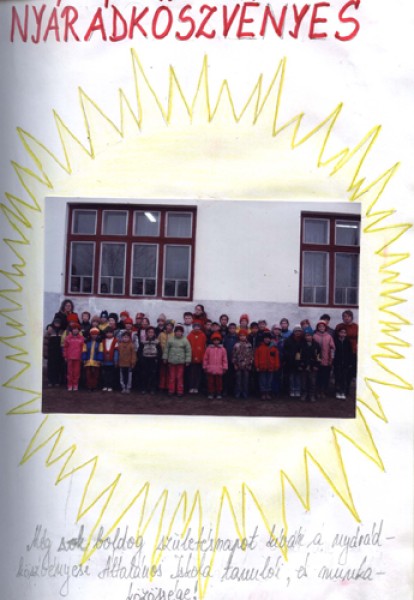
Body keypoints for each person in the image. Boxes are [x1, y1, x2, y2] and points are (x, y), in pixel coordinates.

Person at [163, 324, 191, 397]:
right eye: (177, 331)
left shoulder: (185, 340)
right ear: (174, 332)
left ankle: (180, 391)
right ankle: (171, 390)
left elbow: (188, 351)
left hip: (181, 362)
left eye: (180, 331)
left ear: (182, 333)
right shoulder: (170, 339)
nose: (178, 333)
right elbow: (166, 349)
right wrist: (165, 358)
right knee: (172, 377)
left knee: (180, 377)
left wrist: (188, 360)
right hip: (172, 362)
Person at [254, 331, 280, 400]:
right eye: (265, 338)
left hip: (271, 367)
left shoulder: (274, 348)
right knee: (262, 381)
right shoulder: (259, 347)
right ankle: (263, 393)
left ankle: (268, 393)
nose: (267, 339)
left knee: (269, 381)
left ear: (270, 339)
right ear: (263, 339)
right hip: (262, 367)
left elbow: (276, 358)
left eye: (268, 338)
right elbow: (256, 357)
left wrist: (276, 366)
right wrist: (257, 366)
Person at [313, 320, 335, 398]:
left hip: (326, 360)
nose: (321, 328)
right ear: (317, 327)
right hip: (317, 361)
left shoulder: (329, 337)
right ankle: (317, 391)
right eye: (320, 326)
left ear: (325, 327)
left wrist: (331, 359)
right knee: (318, 377)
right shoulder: (315, 336)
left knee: (325, 377)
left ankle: (323, 391)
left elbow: (332, 349)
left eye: (323, 326)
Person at [203, 332, 228, 400]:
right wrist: (205, 366)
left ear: (220, 341)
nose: (216, 341)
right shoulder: (208, 349)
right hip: (210, 369)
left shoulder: (223, 349)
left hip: (219, 369)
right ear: (212, 340)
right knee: (210, 382)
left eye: (217, 340)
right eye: (214, 340)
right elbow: (205, 358)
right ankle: (211, 392)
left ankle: (218, 392)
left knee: (219, 382)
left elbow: (224, 359)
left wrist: (225, 367)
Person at [298, 331, 321, 402]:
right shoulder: (300, 345)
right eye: (306, 335)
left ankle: (312, 395)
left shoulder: (316, 345)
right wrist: (299, 364)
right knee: (303, 382)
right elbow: (297, 355)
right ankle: (304, 394)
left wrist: (316, 365)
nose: (308, 337)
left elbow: (319, 356)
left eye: (309, 335)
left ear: (312, 336)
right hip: (303, 366)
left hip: (313, 366)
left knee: (312, 382)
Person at [335, 309, 358, 380]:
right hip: (342, 349)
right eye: (344, 316)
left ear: (351, 317)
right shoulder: (339, 326)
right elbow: (335, 337)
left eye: (348, 316)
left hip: (353, 348)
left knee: (351, 365)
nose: (346, 318)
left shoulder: (355, 326)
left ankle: (350, 379)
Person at [139, 326, 162, 394]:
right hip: (145, 359)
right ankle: (144, 388)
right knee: (144, 374)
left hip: (153, 360)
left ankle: (152, 388)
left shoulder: (157, 342)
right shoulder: (143, 342)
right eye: (149, 332)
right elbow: (140, 351)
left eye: (152, 332)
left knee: (153, 375)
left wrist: (157, 358)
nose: (150, 334)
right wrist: (141, 359)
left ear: (154, 333)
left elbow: (159, 351)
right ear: (146, 333)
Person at [232, 329, 253, 399]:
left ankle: (245, 393)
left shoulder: (249, 345)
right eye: (241, 335)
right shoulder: (236, 345)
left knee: (245, 381)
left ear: (246, 336)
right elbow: (234, 355)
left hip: (246, 366)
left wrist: (250, 364)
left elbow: (251, 355)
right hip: (238, 365)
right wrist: (235, 364)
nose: (242, 337)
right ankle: (238, 393)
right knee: (238, 380)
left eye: (244, 336)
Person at [333, 326, 354, 399]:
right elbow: (333, 352)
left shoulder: (348, 342)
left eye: (344, 332)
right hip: (337, 363)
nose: (343, 334)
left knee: (344, 378)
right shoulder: (335, 341)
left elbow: (350, 353)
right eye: (341, 332)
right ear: (338, 333)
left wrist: (350, 362)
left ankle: (343, 392)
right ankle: (337, 392)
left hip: (345, 363)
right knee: (337, 378)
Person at [43, 316, 64, 387]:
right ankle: (50, 381)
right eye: (56, 323)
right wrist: (45, 353)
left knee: (58, 367)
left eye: (58, 323)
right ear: (53, 323)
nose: (57, 324)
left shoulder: (62, 331)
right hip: (51, 352)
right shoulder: (50, 331)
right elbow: (45, 343)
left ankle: (56, 380)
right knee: (51, 367)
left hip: (59, 352)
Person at [63, 321, 84, 391]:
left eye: (77, 329)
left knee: (76, 372)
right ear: (71, 330)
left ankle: (75, 384)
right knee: (70, 372)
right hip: (70, 357)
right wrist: (65, 356)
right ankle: (70, 384)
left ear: (79, 330)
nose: (75, 330)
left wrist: (82, 356)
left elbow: (83, 348)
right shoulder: (67, 338)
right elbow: (65, 348)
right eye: (74, 329)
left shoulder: (81, 338)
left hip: (78, 357)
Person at [283, 325, 304, 398]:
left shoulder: (303, 340)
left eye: (299, 331)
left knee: (298, 378)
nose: (297, 333)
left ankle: (297, 390)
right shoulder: (288, 340)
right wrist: (289, 357)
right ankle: (292, 390)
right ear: (293, 332)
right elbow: (285, 351)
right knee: (291, 378)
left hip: (299, 362)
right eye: (296, 331)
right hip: (290, 362)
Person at [187, 321, 207, 394]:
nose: (196, 328)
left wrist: (203, 357)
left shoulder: (203, 335)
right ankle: (191, 387)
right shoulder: (189, 335)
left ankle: (196, 387)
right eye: (195, 327)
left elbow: (204, 346)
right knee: (191, 373)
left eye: (198, 327)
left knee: (198, 374)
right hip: (191, 357)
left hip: (200, 357)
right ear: (193, 327)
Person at [82, 327, 103, 392]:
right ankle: (89, 386)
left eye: (95, 334)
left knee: (95, 374)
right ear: (90, 335)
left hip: (96, 361)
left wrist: (99, 359)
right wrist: (84, 358)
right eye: (93, 334)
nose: (94, 335)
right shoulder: (86, 342)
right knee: (88, 374)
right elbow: (84, 350)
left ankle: (94, 386)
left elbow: (100, 351)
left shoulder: (99, 343)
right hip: (88, 361)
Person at [102, 328, 119, 392]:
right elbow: (101, 350)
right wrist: (101, 359)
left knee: (111, 374)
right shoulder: (103, 340)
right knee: (104, 374)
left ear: (113, 333)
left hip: (112, 361)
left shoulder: (115, 340)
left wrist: (116, 360)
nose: (109, 334)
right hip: (105, 360)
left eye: (110, 333)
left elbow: (116, 351)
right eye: (107, 333)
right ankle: (105, 385)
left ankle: (110, 386)